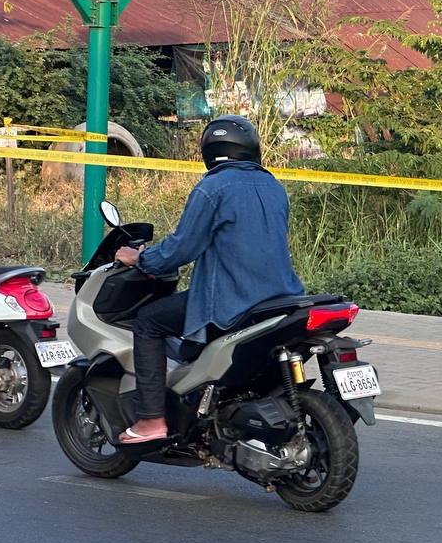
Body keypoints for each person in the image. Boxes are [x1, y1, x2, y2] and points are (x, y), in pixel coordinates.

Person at [113, 115, 305, 444]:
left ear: (211, 151)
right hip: (280, 297)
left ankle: (151, 420)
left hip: (232, 300)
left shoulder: (213, 187)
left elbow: (181, 249)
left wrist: (140, 258)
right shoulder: (273, 186)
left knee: (147, 322)